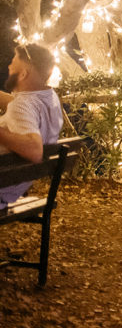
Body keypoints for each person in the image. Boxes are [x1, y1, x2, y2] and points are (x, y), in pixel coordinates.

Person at [0, 44, 64, 209]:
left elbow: (34, 151)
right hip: (11, 187)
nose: (9, 66)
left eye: (13, 63)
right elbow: (23, 107)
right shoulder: (50, 99)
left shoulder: (21, 106)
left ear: (23, 74)